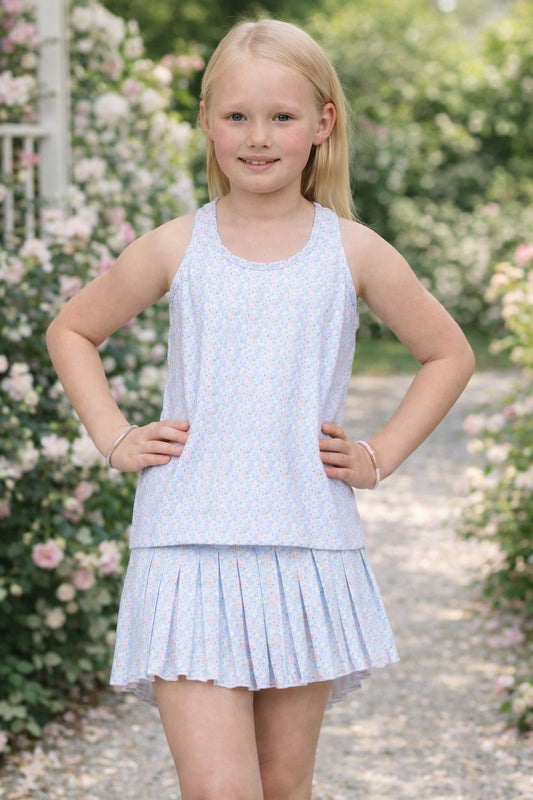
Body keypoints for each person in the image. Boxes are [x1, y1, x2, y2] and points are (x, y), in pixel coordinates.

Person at [46, 17, 475, 800]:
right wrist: (112, 434)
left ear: (321, 124)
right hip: (187, 546)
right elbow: (72, 329)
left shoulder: (352, 250)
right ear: (206, 121)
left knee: (282, 786)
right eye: (236, 115)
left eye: (280, 116)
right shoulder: (177, 245)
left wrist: (377, 455)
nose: (256, 137)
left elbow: (448, 354)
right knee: (222, 790)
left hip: (304, 547)